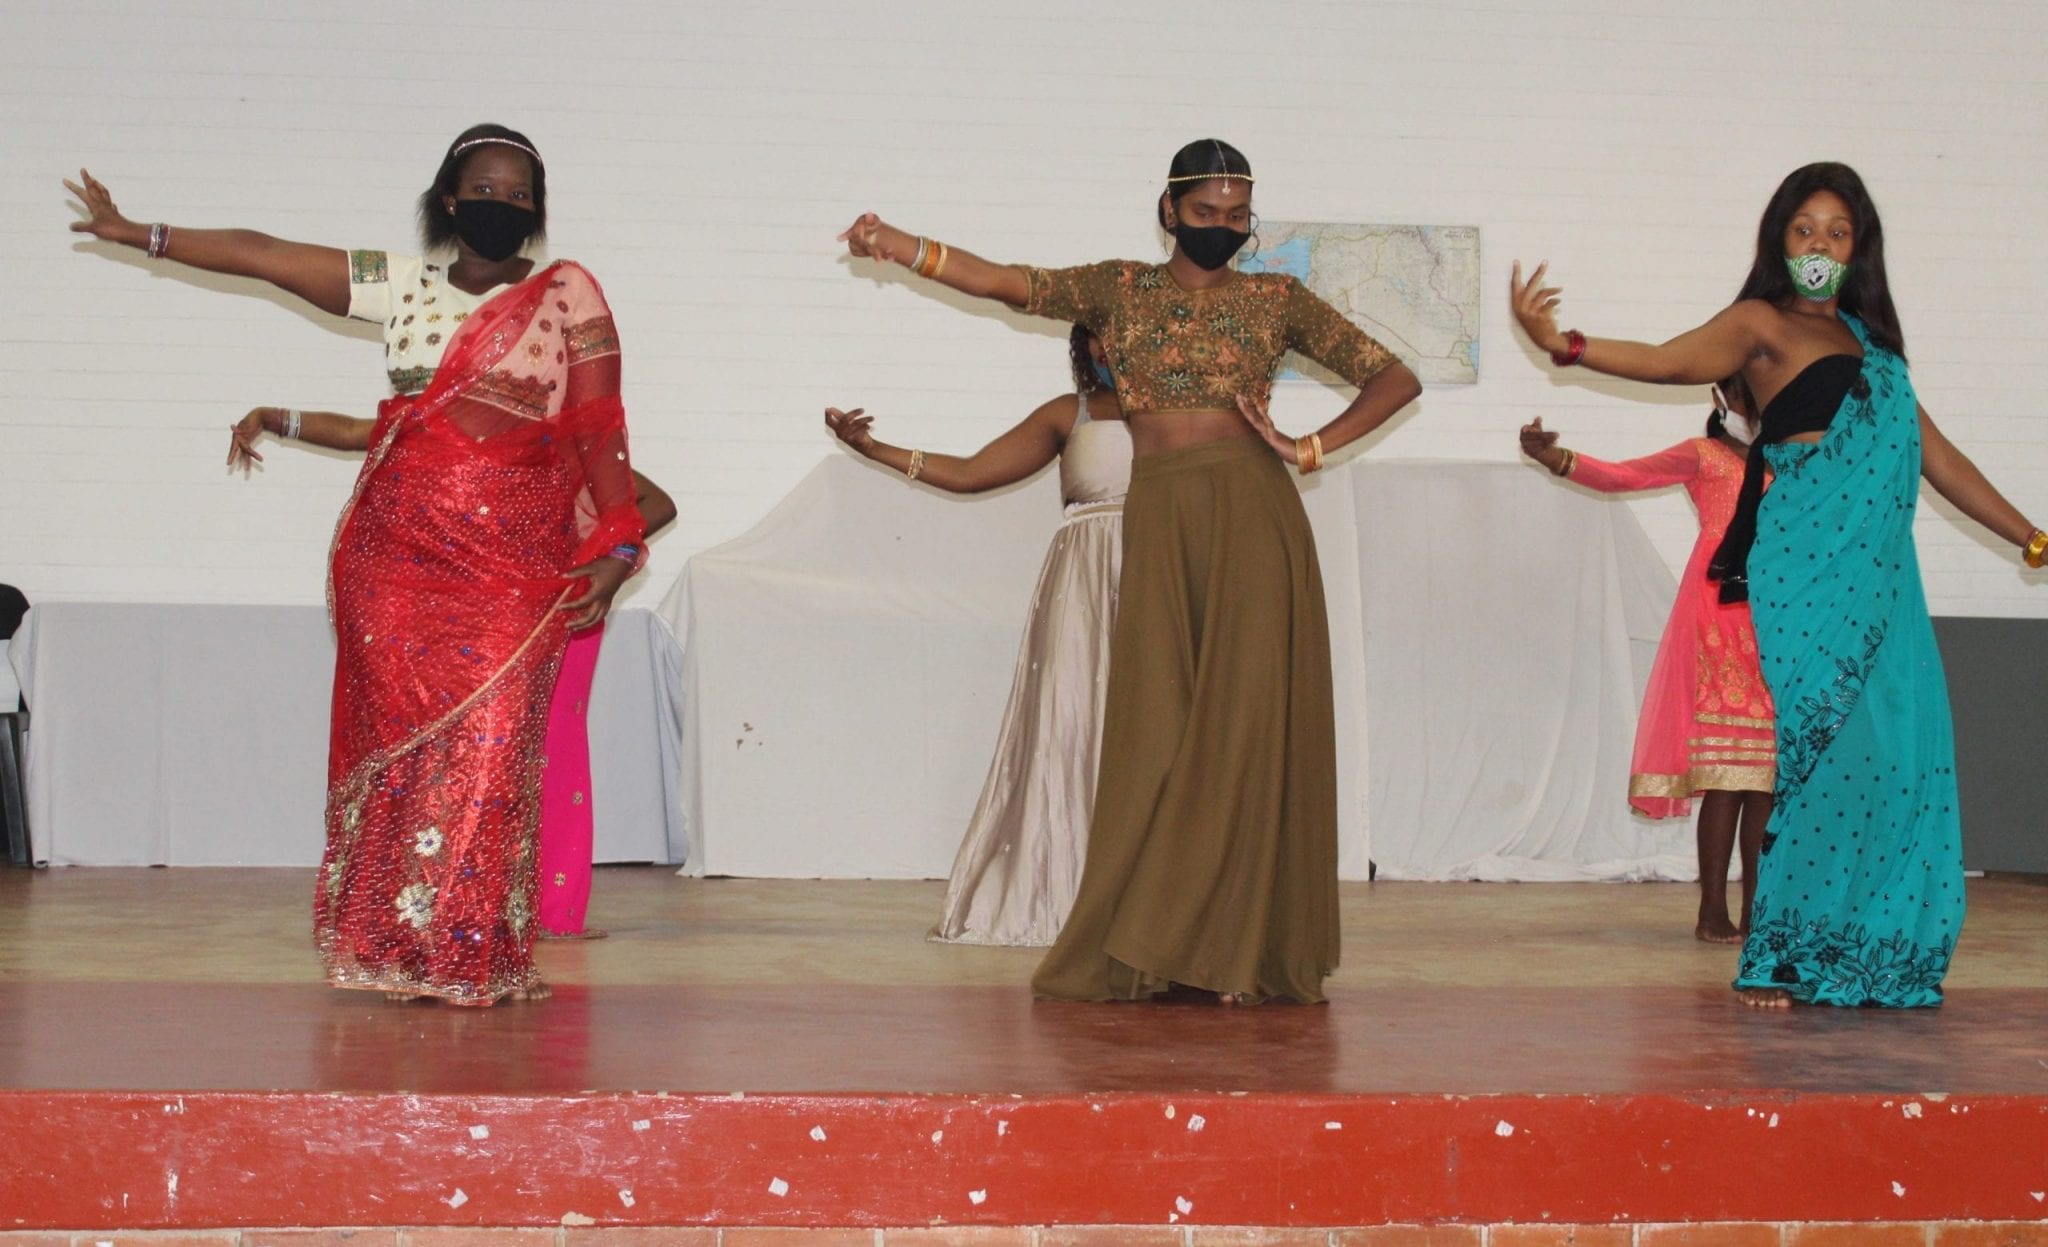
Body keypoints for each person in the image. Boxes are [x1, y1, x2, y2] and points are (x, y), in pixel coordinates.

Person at [68, 123, 646, 1004]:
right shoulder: (401, 286)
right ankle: (390, 945)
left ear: (536, 212)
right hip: (396, 556)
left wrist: (621, 545)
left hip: (514, 561)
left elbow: (599, 430)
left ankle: (468, 951)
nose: (503, 205)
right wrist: (142, 233)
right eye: (484, 190)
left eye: (520, 195)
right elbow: (265, 255)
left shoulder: (566, 295)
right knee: (404, 757)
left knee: (490, 750)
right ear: (449, 200)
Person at [839, 139, 1422, 1003]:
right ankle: (1156, 941)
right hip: (1163, 515)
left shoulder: (1277, 299)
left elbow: (1394, 377)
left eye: (1237, 216)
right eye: (1206, 214)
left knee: (1243, 732)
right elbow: (1007, 281)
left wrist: (1309, 447)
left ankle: (1239, 949)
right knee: (1158, 735)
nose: (1223, 229)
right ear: (1169, 210)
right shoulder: (1117, 288)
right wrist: (903, 246)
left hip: (1253, 518)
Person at [1510, 162, 2045, 1008]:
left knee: (1902, 762)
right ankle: (1789, 951)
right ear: (1780, 240)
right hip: (1808, 577)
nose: (1820, 246)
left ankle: (1877, 948)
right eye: (1805, 230)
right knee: (1823, 762)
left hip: (1885, 585)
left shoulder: (1877, 351)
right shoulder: (1760, 324)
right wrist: (1565, 345)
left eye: (1837, 232)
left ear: (1858, 246)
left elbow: (1944, 464)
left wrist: (2035, 538)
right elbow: (1663, 360)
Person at [228, 410, 675, 941]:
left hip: (558, 612)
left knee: (553, 749)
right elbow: (355, 435)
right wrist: (274, 420)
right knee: (475, 757)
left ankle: (554, 911)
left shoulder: (555, 445)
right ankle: (477, 906)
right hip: (480, 624)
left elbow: (658, 505)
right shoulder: (444, 428)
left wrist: (600, 560)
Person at [823, 327, 1130, 946]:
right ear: (1090, 346)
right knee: (1074, 725)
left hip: (1174, 575)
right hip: (1087, 582)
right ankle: (1069, 897)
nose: (1121, 343)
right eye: (1108, 334)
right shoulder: (1066, 414)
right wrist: (873, 448)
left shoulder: (1196, 416)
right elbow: (969, 472)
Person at [1519, 382, 1775, 944]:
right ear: (1722, 398)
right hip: (1717, 615)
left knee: (1764, 779)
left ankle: (1762, 916)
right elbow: (1624, 476)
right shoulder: (1702, 455)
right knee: (1726, 775)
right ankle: (1712, 911)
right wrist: (1554, 457)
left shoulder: (1791, 454)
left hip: (1779, 616)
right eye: (1744, 390)